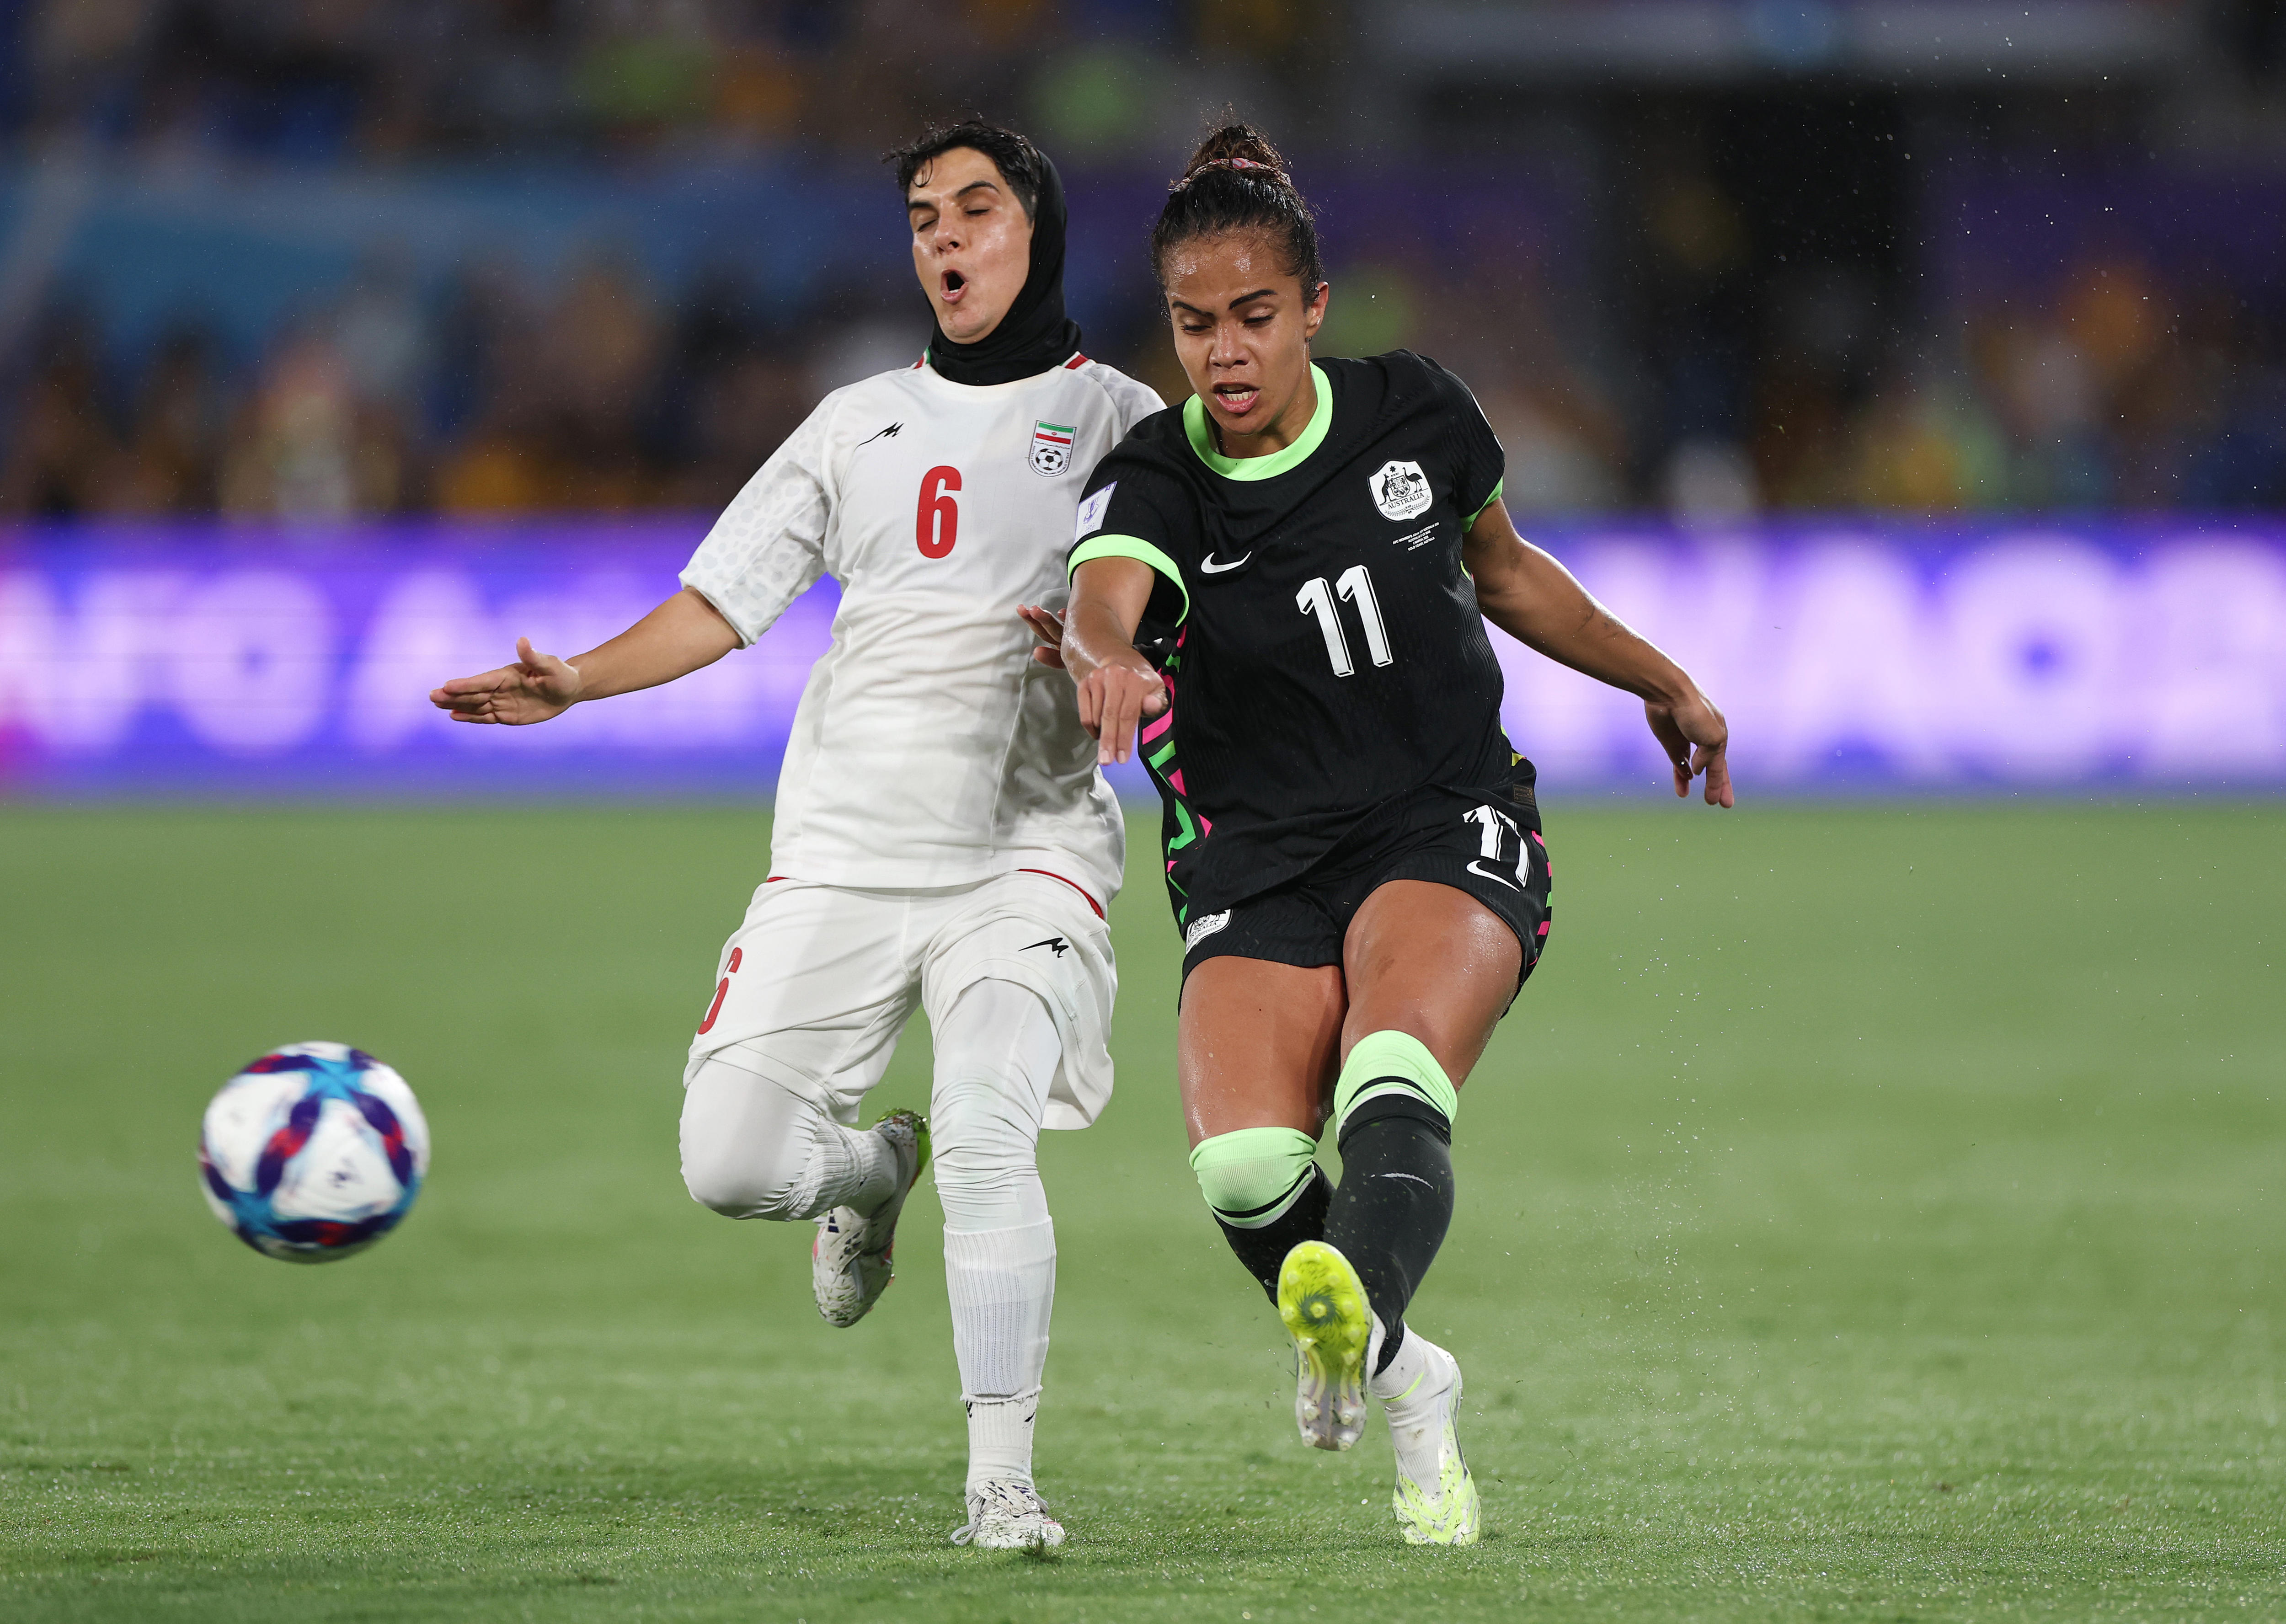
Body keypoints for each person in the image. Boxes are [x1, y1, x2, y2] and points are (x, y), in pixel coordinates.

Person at [430, 120, 1161, 1549]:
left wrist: (1113, 658)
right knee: (729, 1162)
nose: (945, 239)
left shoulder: (1126, 419)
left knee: (993, 1128)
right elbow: (727, 594)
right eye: (922, 218)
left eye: (976, 210)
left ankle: (1000, 1483)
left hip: (1027, 851)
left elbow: (1176, 619)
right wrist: (579, 678)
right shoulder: (856, 420)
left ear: (1043, 230)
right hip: (841, 849)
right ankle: (871, 1176)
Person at [1040, 125, 1734, 1548]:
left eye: (1250, 317)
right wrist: (1099, 654)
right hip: (1255, 855)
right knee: (1243, 1174)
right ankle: (1410, 1376)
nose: (1221, 354)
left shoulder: (1417, 411)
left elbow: (1509, 574)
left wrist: (1662, 677)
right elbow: (1105, 597)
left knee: (1392, 1076)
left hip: (1445, 813)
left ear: (1313, 309)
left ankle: (1355, 1307)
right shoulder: (1160, 477)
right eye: (1191, 324)